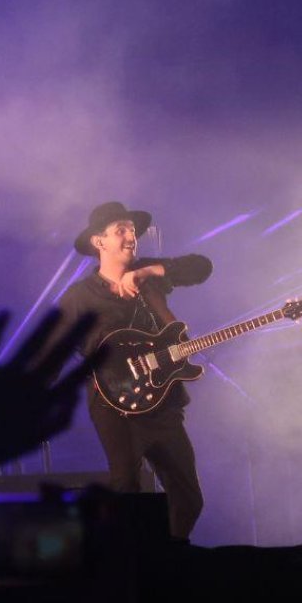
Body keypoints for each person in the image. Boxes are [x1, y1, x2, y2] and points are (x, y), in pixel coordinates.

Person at [56, 201, 213, 540]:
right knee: (127, 491)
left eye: (133, 230)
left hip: (163, 404)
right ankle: (132, 569)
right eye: (121, 230)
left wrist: (145, 272)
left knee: (189, 497)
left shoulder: (150, 280)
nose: (131, 237)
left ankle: (169, 559)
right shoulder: (79, 297)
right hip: (115, 408)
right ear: (100, 242)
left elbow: (202, 267)